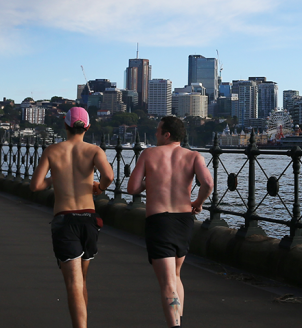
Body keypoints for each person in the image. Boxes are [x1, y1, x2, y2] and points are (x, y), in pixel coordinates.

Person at [30, 107, 113, 328]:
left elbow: (36, 185)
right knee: (82, 281)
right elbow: (109, 176)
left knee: (74, 283)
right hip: (89, 219)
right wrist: (99, 187)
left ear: (66, 126)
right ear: (87, 127)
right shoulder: (94, 150)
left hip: (65, 220)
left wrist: (54, 179)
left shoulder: (53, 150)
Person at [127, 116, 213, 328]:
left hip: (160, 221)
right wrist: (198, 202)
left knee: (167, 283)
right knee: (175, 275)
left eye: (158, 131)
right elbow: (208, 183)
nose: (155, 134)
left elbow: (132, 188)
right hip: (184, 220)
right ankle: (178, 320)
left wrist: (150, 182)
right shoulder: (194, 156)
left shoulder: (149, 154)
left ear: (167, 134)